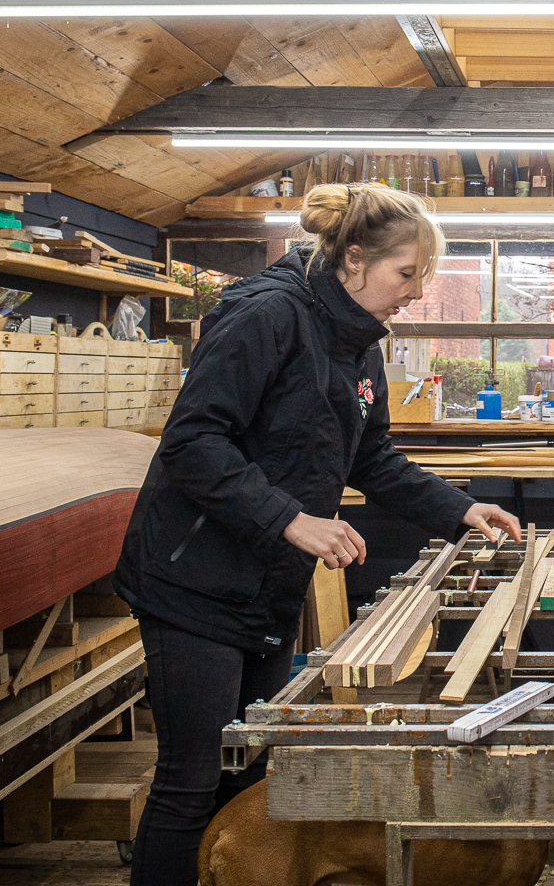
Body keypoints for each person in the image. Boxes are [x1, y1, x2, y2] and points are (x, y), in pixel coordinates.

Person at [114, 184, 522, 886]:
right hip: (194, 582)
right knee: (191, 781)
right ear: (355, 258)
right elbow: (192, 443)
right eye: (406, 276)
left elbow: (373, 458)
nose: (415, 294)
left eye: (423, 280)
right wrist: (291, 519)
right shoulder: (266, 316)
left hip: (266, 585)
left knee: (253, 775)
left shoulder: (356, 342)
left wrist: (459, 510)